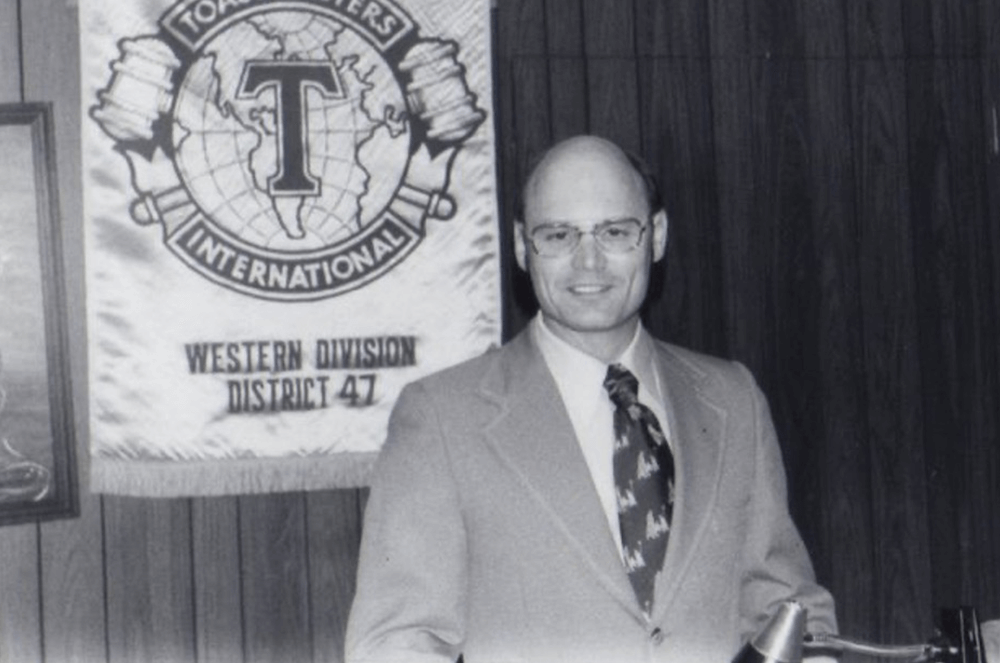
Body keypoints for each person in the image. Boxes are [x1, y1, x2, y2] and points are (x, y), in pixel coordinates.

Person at [345, 135, 838, 663]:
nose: (588, 262)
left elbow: (788, 612)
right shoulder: (442, 417)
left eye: (615, 232)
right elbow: (395, 645)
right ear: (519, 245)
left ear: (657, 236)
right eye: (558, 235)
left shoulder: (734, 399)